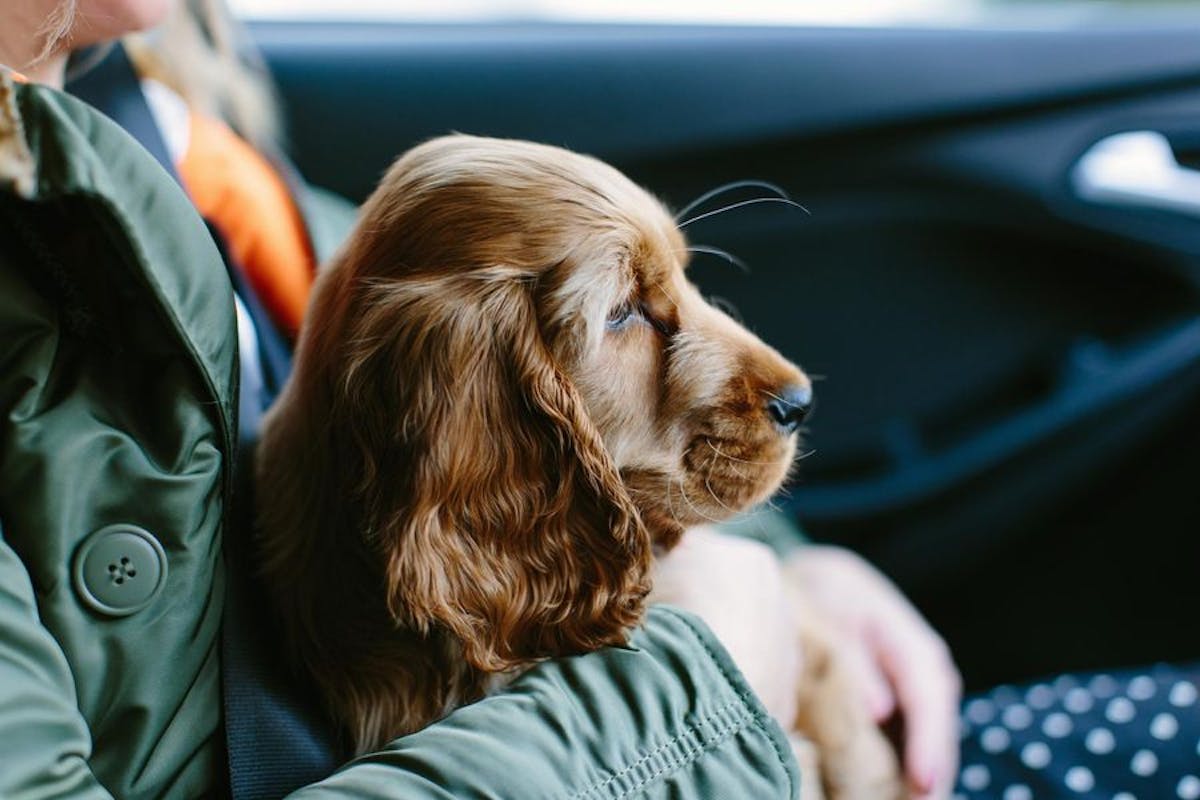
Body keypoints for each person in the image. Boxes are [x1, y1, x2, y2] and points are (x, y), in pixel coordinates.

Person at [0, 1, 964, 797]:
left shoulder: (167, 134)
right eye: (633, 313)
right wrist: (697, 685)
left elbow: (522, 422)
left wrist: (784, 568)